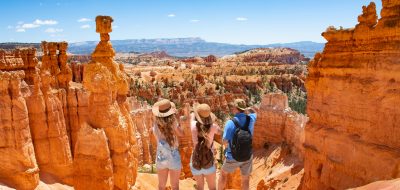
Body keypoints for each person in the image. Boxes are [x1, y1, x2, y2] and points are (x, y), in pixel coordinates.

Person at [218, 99, 257, 190]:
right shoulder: (251, 118)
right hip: (247, 155)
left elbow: (225, 141)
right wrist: (249, 109)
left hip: (233, 156)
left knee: (223, 174)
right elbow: (257, 112)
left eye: (233, 107)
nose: (232, 109)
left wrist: (226, 150)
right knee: (245, 179)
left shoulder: (230, 123)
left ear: (236, 108)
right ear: (244, 108)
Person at [152, 99, 184, 190]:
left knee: (161, 186)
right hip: (173, 155)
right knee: (175, 186)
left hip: (161, 155)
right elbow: (181, 133)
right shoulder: (173, 122)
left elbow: (157, 138)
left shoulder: (155, 124)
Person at [190, 103, 222, 190]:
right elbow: (220, 132)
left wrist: (195, 110)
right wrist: (213, 122)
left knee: (200, 187)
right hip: (209, 162)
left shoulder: (192, 125)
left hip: (196, 161)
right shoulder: (213, 127)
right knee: (212, 188)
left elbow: (192, 116)